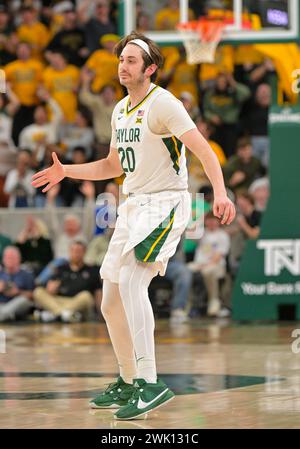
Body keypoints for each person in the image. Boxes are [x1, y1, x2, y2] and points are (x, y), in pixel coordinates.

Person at [32, 31, 235, 420]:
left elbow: (204, 151)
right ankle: (128, 380)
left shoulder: (165, 104)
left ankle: (150, 382)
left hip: (168, 201)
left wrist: (221, 193)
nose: (122, 66)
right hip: (132, 205)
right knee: (110, 299)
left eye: (129, 61)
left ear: (150, 68)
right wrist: (66, 171)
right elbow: (112, 166)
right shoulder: (121, 109)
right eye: (120, 60)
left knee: (132, 282)